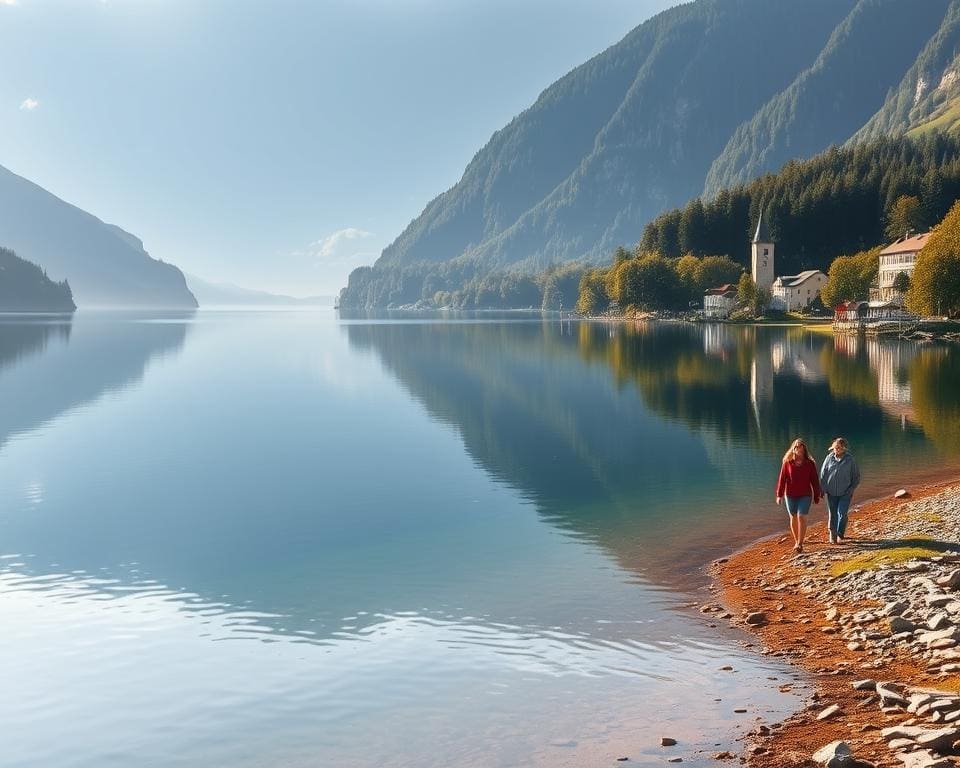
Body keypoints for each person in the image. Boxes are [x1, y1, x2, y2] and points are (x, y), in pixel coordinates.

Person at [776, 438, 822, 553]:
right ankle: (797, 541)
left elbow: (814, 480)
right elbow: (782, 479)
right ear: (793, 449)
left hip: (805, 495)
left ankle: (800, 543)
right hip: (790, 495)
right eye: (796, 448)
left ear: (804, 450)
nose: (799, 450)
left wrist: (816, 495)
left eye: (801, 448)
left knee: (801, 516)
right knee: (793, 517)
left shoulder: (809, 464)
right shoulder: (787, 463)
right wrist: (779, 495)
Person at [820, 437, 861, 544]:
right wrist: (822, 489)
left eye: (839, 447)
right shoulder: (829, 458)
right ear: (832, 448)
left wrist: (851, 489)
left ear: (844, 448)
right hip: (831, 492)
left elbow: (856, 477)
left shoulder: (850, 460)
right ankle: (832, 536)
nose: (837, 449)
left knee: (842, 513)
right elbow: (823, 475)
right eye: (835, 447)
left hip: (845, 493)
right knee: (832, 514)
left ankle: (840, 533)